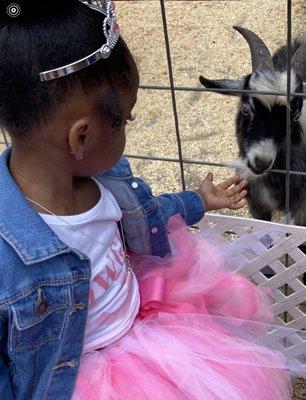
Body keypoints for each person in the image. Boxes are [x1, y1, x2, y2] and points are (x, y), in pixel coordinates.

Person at [0, 1, 302, 399]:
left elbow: (148, 214)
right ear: (82, 137)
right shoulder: (8, 260)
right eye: (126, 119)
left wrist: (198, 200)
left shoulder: (106, 183)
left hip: (151, 326)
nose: (127, 127)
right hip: (89, 381)